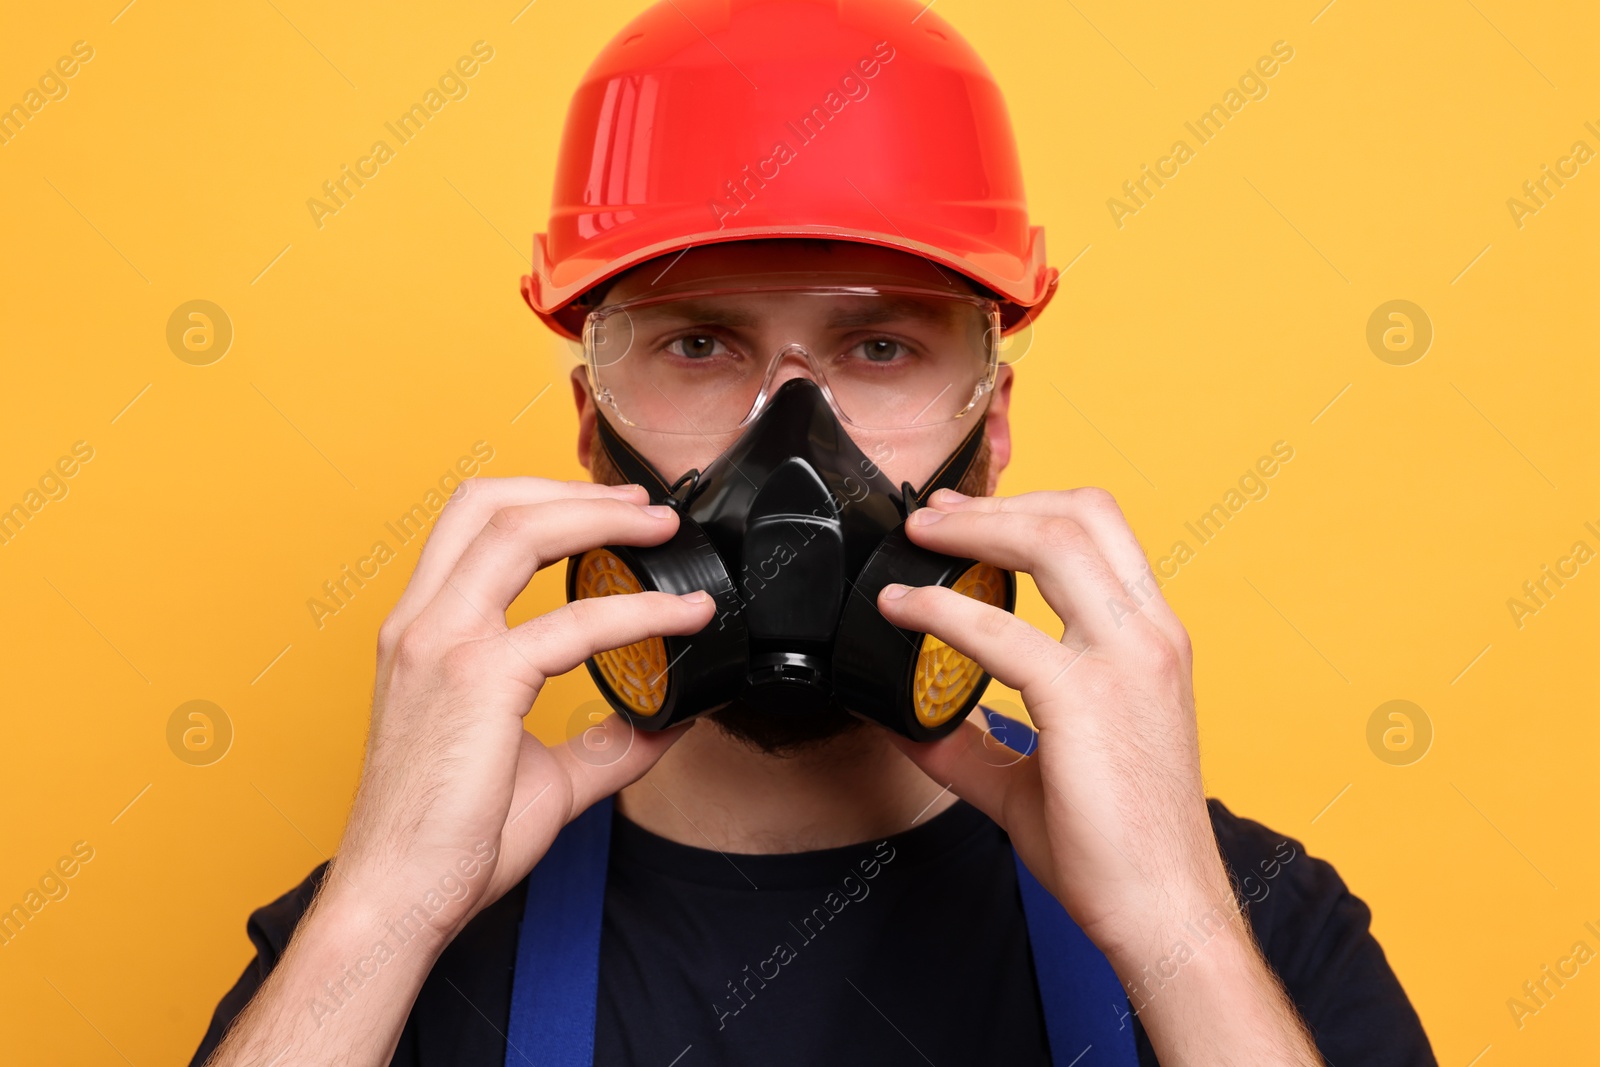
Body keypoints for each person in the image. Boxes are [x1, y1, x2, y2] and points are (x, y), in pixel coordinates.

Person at [191, 2, 1437, 1064]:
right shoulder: (382, 952)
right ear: (590, 424)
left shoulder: (1252, 922)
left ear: (990, 424)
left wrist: (1176, 929)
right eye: (697, 342)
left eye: (881, 344)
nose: (793, 437)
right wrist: (383, 912)